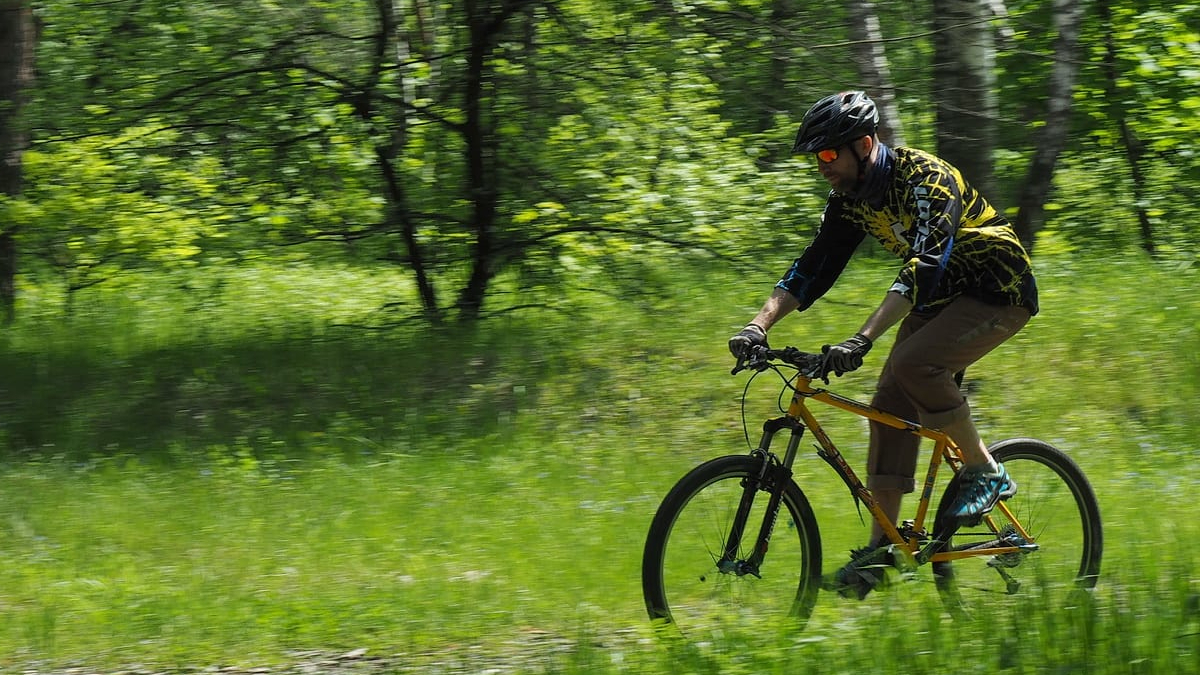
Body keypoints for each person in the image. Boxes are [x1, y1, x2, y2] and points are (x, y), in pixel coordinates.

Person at [727, 90, 1039, 598]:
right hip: (941, 300)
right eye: (816, 157)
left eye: (828, 154)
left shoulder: (926, 179)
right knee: (889, 407)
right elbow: (813, 267)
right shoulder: (850, 201)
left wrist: (863, 339)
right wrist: (758, 325)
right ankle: (881, 553)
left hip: (998, 289)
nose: (821, 166)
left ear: (865, 144)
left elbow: (925, 266)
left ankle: (986, 471)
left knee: (916, 365)